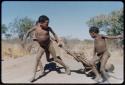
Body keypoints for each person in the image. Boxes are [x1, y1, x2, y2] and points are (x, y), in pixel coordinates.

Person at [23, 15, 71, 82]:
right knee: (37, 59)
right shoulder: (36, 28)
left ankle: (66, 67)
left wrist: (58, 41)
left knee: (55, 59)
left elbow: (54, 34)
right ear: (40, 23)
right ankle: (33, 76)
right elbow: (28, 31)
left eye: (48, 23)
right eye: (47, 23)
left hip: (49, 45)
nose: (48, 24)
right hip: (42, 46)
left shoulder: (48, 28)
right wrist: (24, 40)